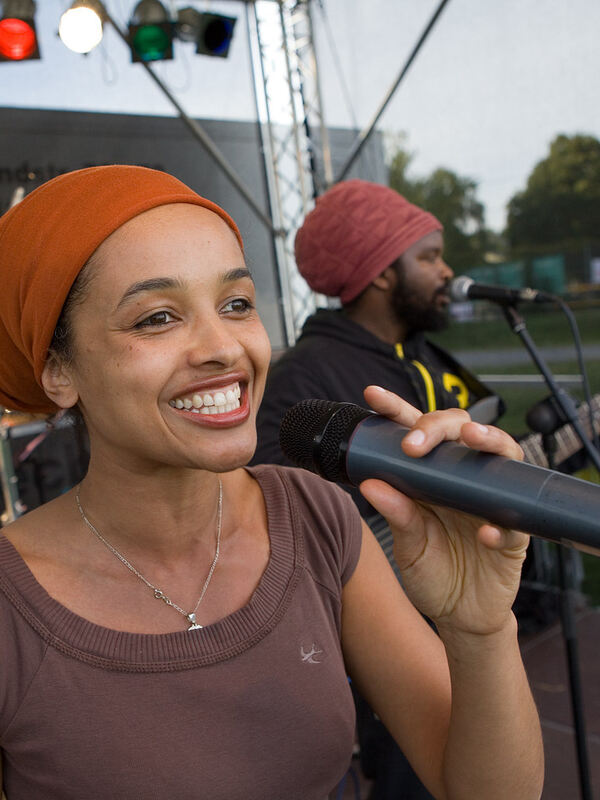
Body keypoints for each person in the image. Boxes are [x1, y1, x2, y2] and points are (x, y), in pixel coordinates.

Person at [0, 166, 543, 799]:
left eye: (236, 304)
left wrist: (480, 629)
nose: (223, 348)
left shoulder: (318, 519)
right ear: (58, 371)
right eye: (157, 318)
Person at [252, 180, 504, 799]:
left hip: (469, 626)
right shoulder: (305, 379)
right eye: (429, 255)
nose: (446, 270)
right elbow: (277, 516)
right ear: (382, 273)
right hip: (389, 644)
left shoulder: (430, 359)